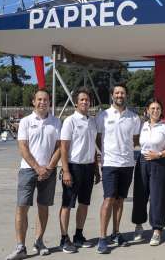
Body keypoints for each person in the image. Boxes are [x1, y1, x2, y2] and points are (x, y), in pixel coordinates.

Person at [6, 90, 61, 260]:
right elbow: (23, 147)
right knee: (22, 207)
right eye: (39, 99)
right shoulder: (25, 121)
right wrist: (38, 168)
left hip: (49, 171)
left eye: (46, 100)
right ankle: (20, 246)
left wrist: (49, 168)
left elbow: (60, 147)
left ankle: (39, 241)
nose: (42, 102)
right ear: (33, 102)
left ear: (49, 102)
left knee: (43, 207)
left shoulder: (56, 122)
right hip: (28, 170)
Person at [95, 83, 141, 254]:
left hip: (127, 164)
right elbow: (98, 138)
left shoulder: (134, 118)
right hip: (109, 164)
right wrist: (107, 153)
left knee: (120, 199)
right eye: (117, 93)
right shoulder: (103, 116)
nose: (119, 95)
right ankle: (102, 237)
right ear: (112, 95)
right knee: (108, 199)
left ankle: (116, 232)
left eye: (122, 92)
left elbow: (135, 140)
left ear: (126, 95)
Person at [58, 87, 100, 253]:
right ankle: (64, 238)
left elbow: (93, 147)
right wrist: (66, 171)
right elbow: (63, 147)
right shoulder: (70, 121)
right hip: (73, 167)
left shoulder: (92, 121)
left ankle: (78, 236)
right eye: (81, 99)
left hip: (89, 167)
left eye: (87, 99)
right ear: (76, 102)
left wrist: (96, 169)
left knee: (84, 203)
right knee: (67, 204)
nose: (85, 102)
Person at [132, 99, 165, 246]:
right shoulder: (143, 125)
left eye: (158, 108)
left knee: (157, 197)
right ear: (147, 110)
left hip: (159, 162)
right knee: (140, 195)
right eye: (152, 108)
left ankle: (157, 230)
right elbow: (135, 142)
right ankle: (139, 226)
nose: (155, 110)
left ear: (161, 111)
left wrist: (159, 155)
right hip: (142, 162)